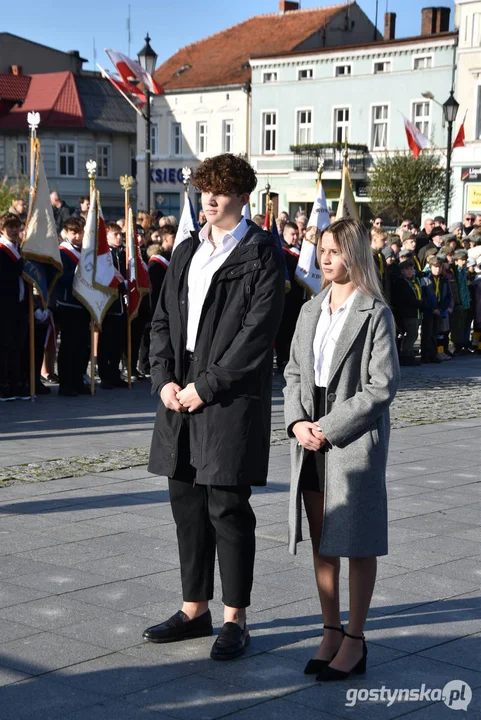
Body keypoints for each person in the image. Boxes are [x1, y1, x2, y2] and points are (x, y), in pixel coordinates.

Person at [145, 153, 285, 660]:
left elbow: (257, 336)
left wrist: (206, 386)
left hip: (227, 398)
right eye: (205, 189)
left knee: (227, 508)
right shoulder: (186, 251)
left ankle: (235, 619)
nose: (210, 198)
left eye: (221, 191)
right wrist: (163, 379)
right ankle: (194, 609)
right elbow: (161, 322)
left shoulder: (262, 252)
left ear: (243, 196)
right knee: (185, 506)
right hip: (178, 396)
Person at [284, 218, 399, 682]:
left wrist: (328, 427)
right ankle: (329, 630)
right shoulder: (310, 310)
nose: (324, 259)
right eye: (320, 250)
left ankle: (355, 638)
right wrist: (296, 422)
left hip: (350, 437)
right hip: (308, 434)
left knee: (356, 542)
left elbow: (381, 387)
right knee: (322, 543)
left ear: (354, 254)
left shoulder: (375, 312)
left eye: (333, 251)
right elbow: (293, 371)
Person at [56, 217, 90, 396]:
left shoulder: (86, 251)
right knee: (69, 346)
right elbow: (63, 277)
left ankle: (77, 380)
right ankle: (66, 383)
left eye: (80, 232)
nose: (77, 236)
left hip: (84, 304)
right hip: (68, 303)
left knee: (82, 346)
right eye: (73, 232)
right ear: (66, 233)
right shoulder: (63, 252)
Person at [0, 213, 29, 400]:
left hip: (21, 304)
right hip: (4, 305)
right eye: (9, 226)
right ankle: (3, 385)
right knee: (4, 346)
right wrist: (21, 265)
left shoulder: (22, 249)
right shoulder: (2, 249)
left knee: (19, 346)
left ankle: (17, 382)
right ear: (2, 229)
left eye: (16, 226)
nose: (13, 230)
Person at [98, 223, 128, 389]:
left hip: (122, 305)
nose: (119, 237)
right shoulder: (103, 255)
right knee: (106, 343)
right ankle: (105, 375)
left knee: (118, 342)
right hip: (108, 305)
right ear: (107, 236)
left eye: (120, 234)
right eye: (115, 234)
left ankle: (115, 373)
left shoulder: (123, 253)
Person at [275, 221, 305, 372]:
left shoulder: (301, 250)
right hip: (286, 296)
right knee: (284, 329)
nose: (295, 237)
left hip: (298, 297)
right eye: (292, 234)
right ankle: (282, 358)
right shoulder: (282, 251)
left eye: (297, 234)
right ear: (285, 234)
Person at [420, 256, 453, 363]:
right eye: (435, 267)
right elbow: (424, 296)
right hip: (429, 311)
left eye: (439, 267)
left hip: (440, 309)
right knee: (427, 334)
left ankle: (434, 354)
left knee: (436, 333)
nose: (437, 269)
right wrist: (432, 308)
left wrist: (442, 308)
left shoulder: (444, 280)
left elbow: (448, 296)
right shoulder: (425, 279)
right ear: (430, 267)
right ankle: (425, 356)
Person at [392, 259, 423, 365]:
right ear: (402, 271)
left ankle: (409, 353)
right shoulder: (401, 283)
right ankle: (405, 355)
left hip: (416, 312)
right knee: (412, 334)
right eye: (407, 269)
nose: (410, 271)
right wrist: (421, 304)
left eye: (411, 269)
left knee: (413, 334)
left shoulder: (414, 281)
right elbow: (408, 299)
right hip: (407, 313)